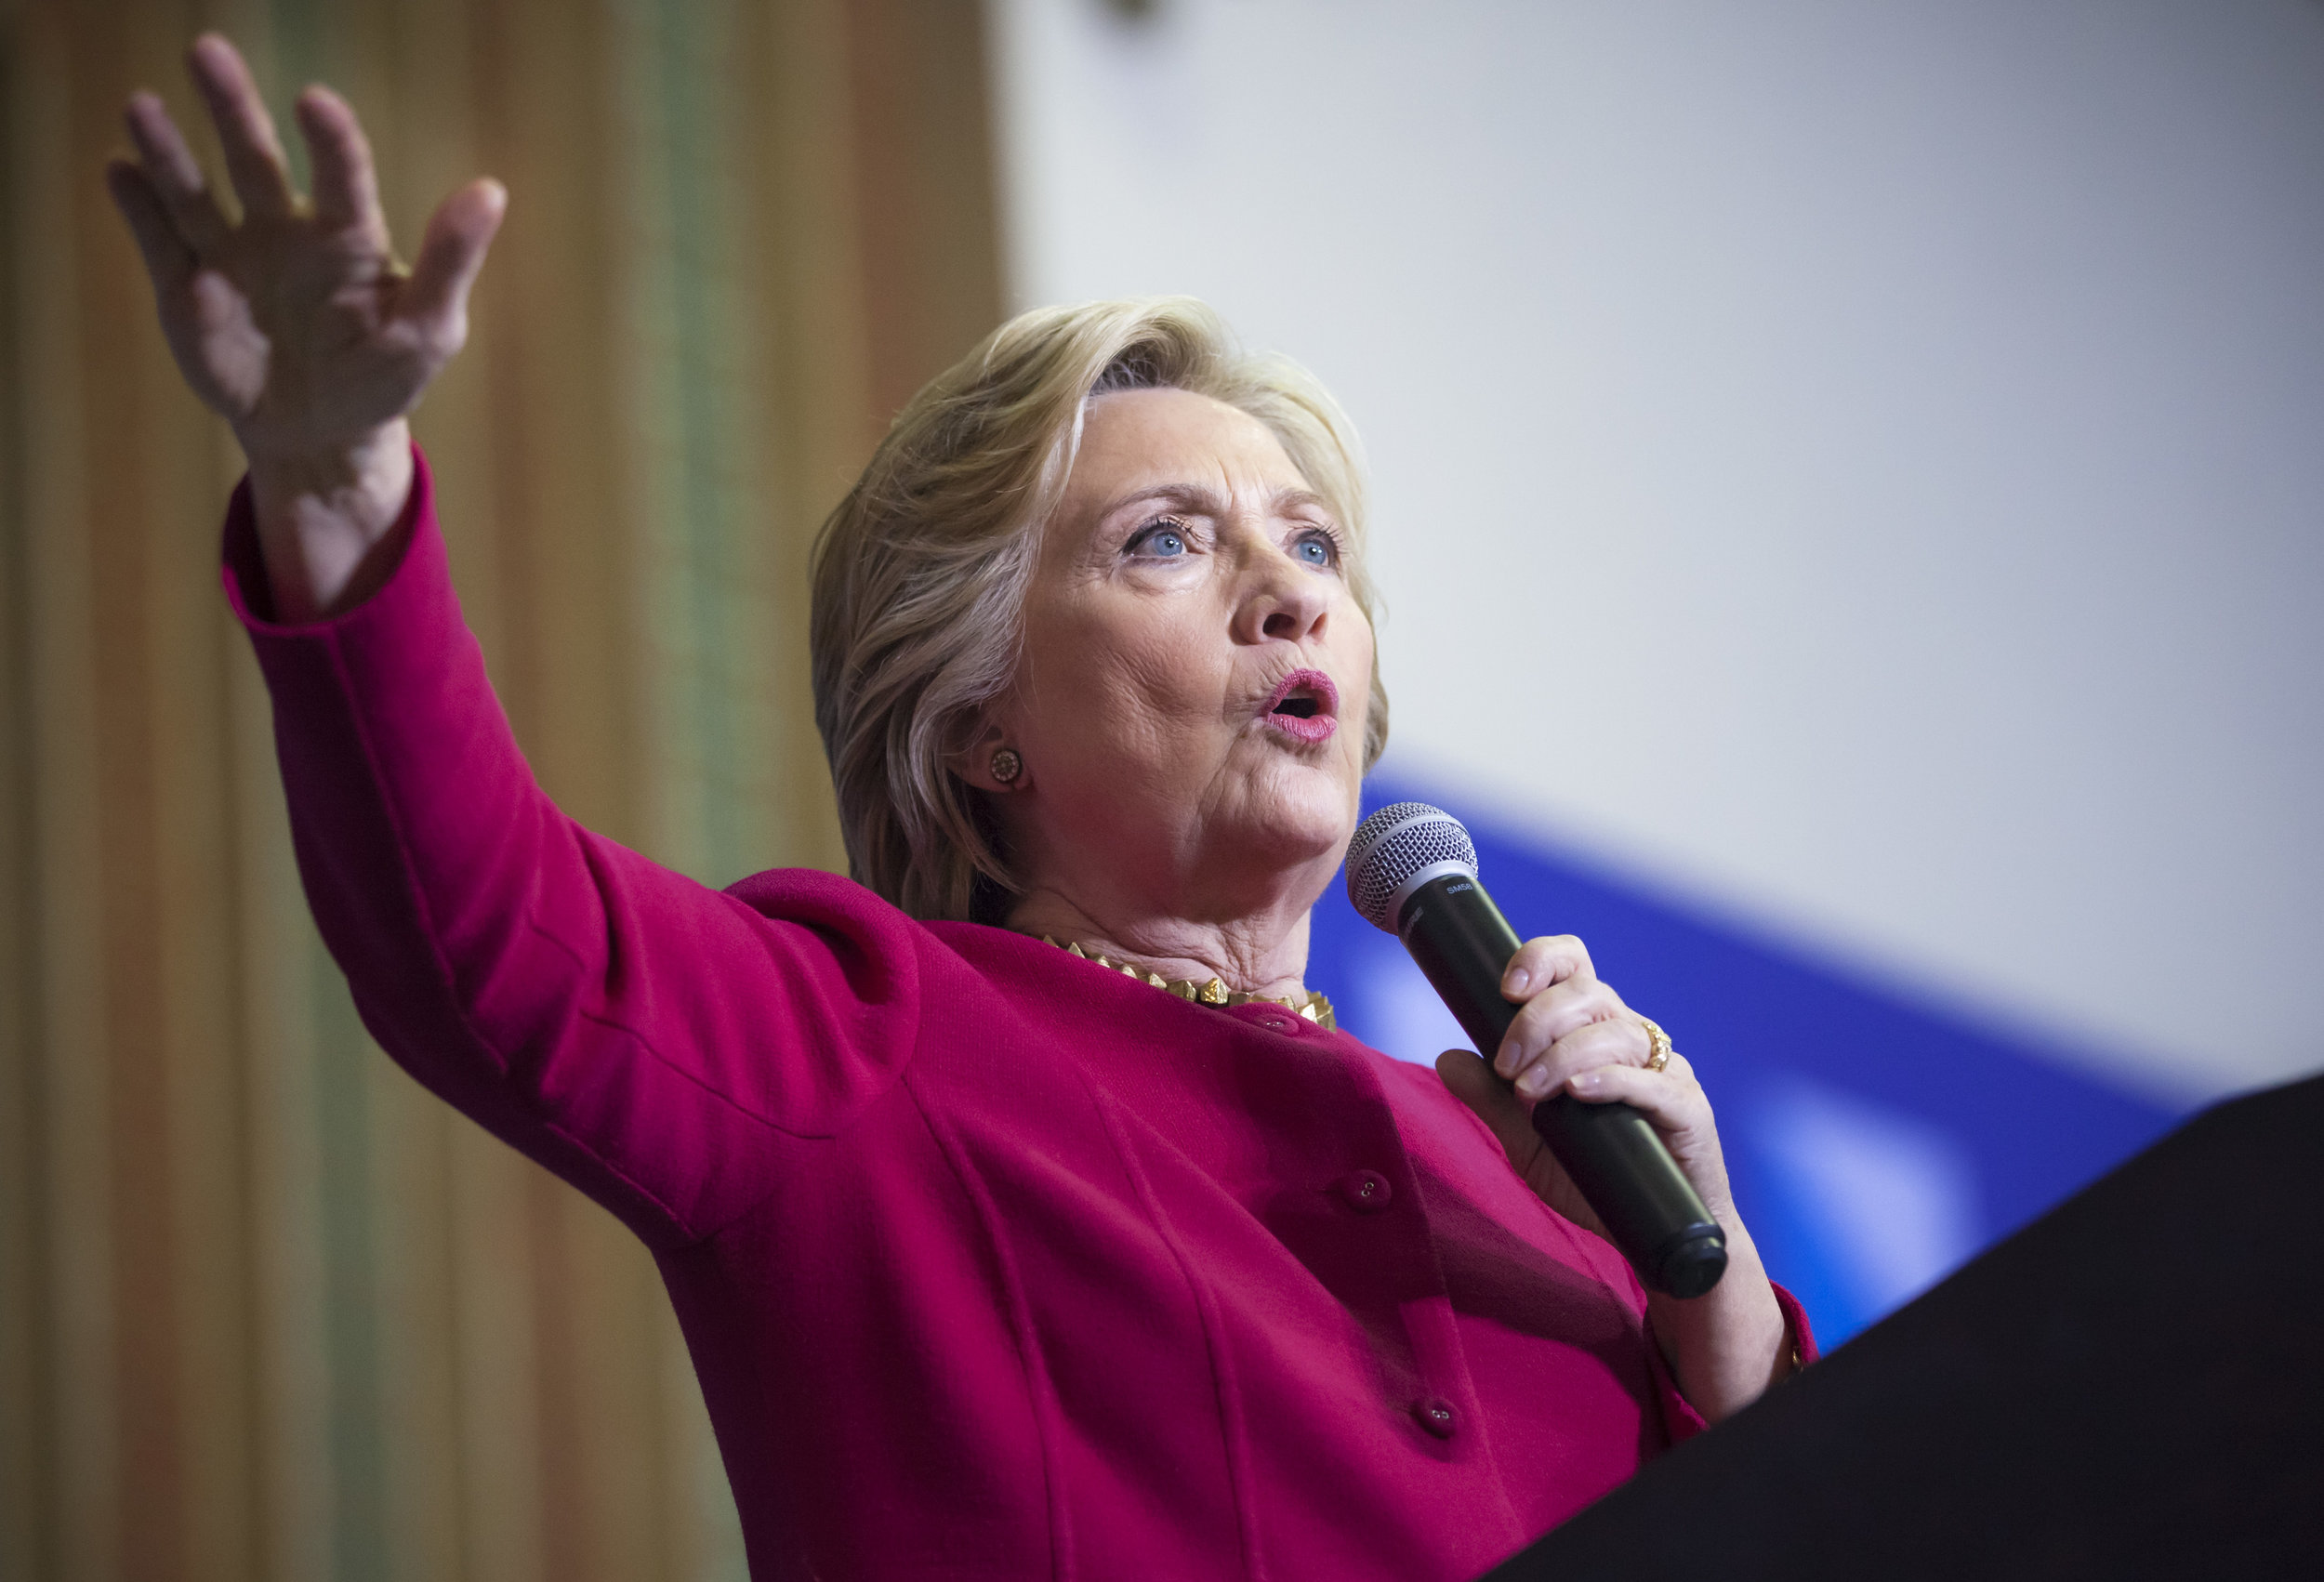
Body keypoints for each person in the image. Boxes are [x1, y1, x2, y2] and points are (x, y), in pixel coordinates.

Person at [108, 34, 1811, 1582]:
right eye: (1165, 540)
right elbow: (486, 934)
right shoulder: (873, 1047)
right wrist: (335, 486)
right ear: (976, 716)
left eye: (1313, 546)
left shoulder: (1532, 1169)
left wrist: (1711, 1302)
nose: (1290, 596)